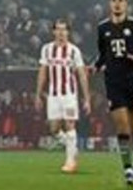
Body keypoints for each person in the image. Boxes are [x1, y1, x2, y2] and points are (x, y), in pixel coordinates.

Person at [94, 0, 133, 187]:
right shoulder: (103, 28)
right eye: (113, 0)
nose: (117, 3)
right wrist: (95, 66)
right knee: (121, 124)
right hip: (113, 81)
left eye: (120, 0)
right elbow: (103, 54)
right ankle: (127, 169)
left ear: (126, 4)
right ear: (109, 4)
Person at [35, 18, 91, 174]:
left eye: (64, 29)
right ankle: (71, 146)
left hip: (69, 95)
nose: (61, 33)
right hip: (53, 95)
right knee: (53, 129)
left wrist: (87, 98)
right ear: (53, 32)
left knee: (70, 125)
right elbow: (43, 72)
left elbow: (81, 75)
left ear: (68, 32)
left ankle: (70, 162)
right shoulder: (46, 49)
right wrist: (38, 94)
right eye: (58, 29)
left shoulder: (74, 51)